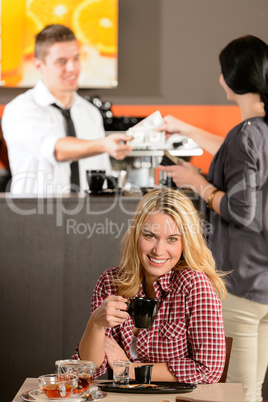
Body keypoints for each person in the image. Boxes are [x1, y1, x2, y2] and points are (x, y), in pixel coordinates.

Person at [158, 35, 268, 402]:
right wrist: (186, 129)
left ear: (231, 78)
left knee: (236, 390)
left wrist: (197, 182)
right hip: (265, 284)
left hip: (242, 281)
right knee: (253, 388)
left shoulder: (246, 135)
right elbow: (238, 153)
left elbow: (241, 210)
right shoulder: (257, 132)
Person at [74, 188, 226, 384]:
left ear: (185, 243)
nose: (159, 250)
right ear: (136, 235)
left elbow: (209, 370)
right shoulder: (109, 282)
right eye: (149, 236)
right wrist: (95, 323)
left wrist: (129, 369)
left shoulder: (194, 285)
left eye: (172, 239)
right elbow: (89, 370)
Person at [2, 24, 132, 195]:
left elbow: (102, 173)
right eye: (61, 61)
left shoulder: (90, 113)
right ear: (39, 65)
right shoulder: (20, 110)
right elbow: (57, 150)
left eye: (76, 58)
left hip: (85, 219)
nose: (72, 68)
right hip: (34, 217)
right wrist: (103, 144)